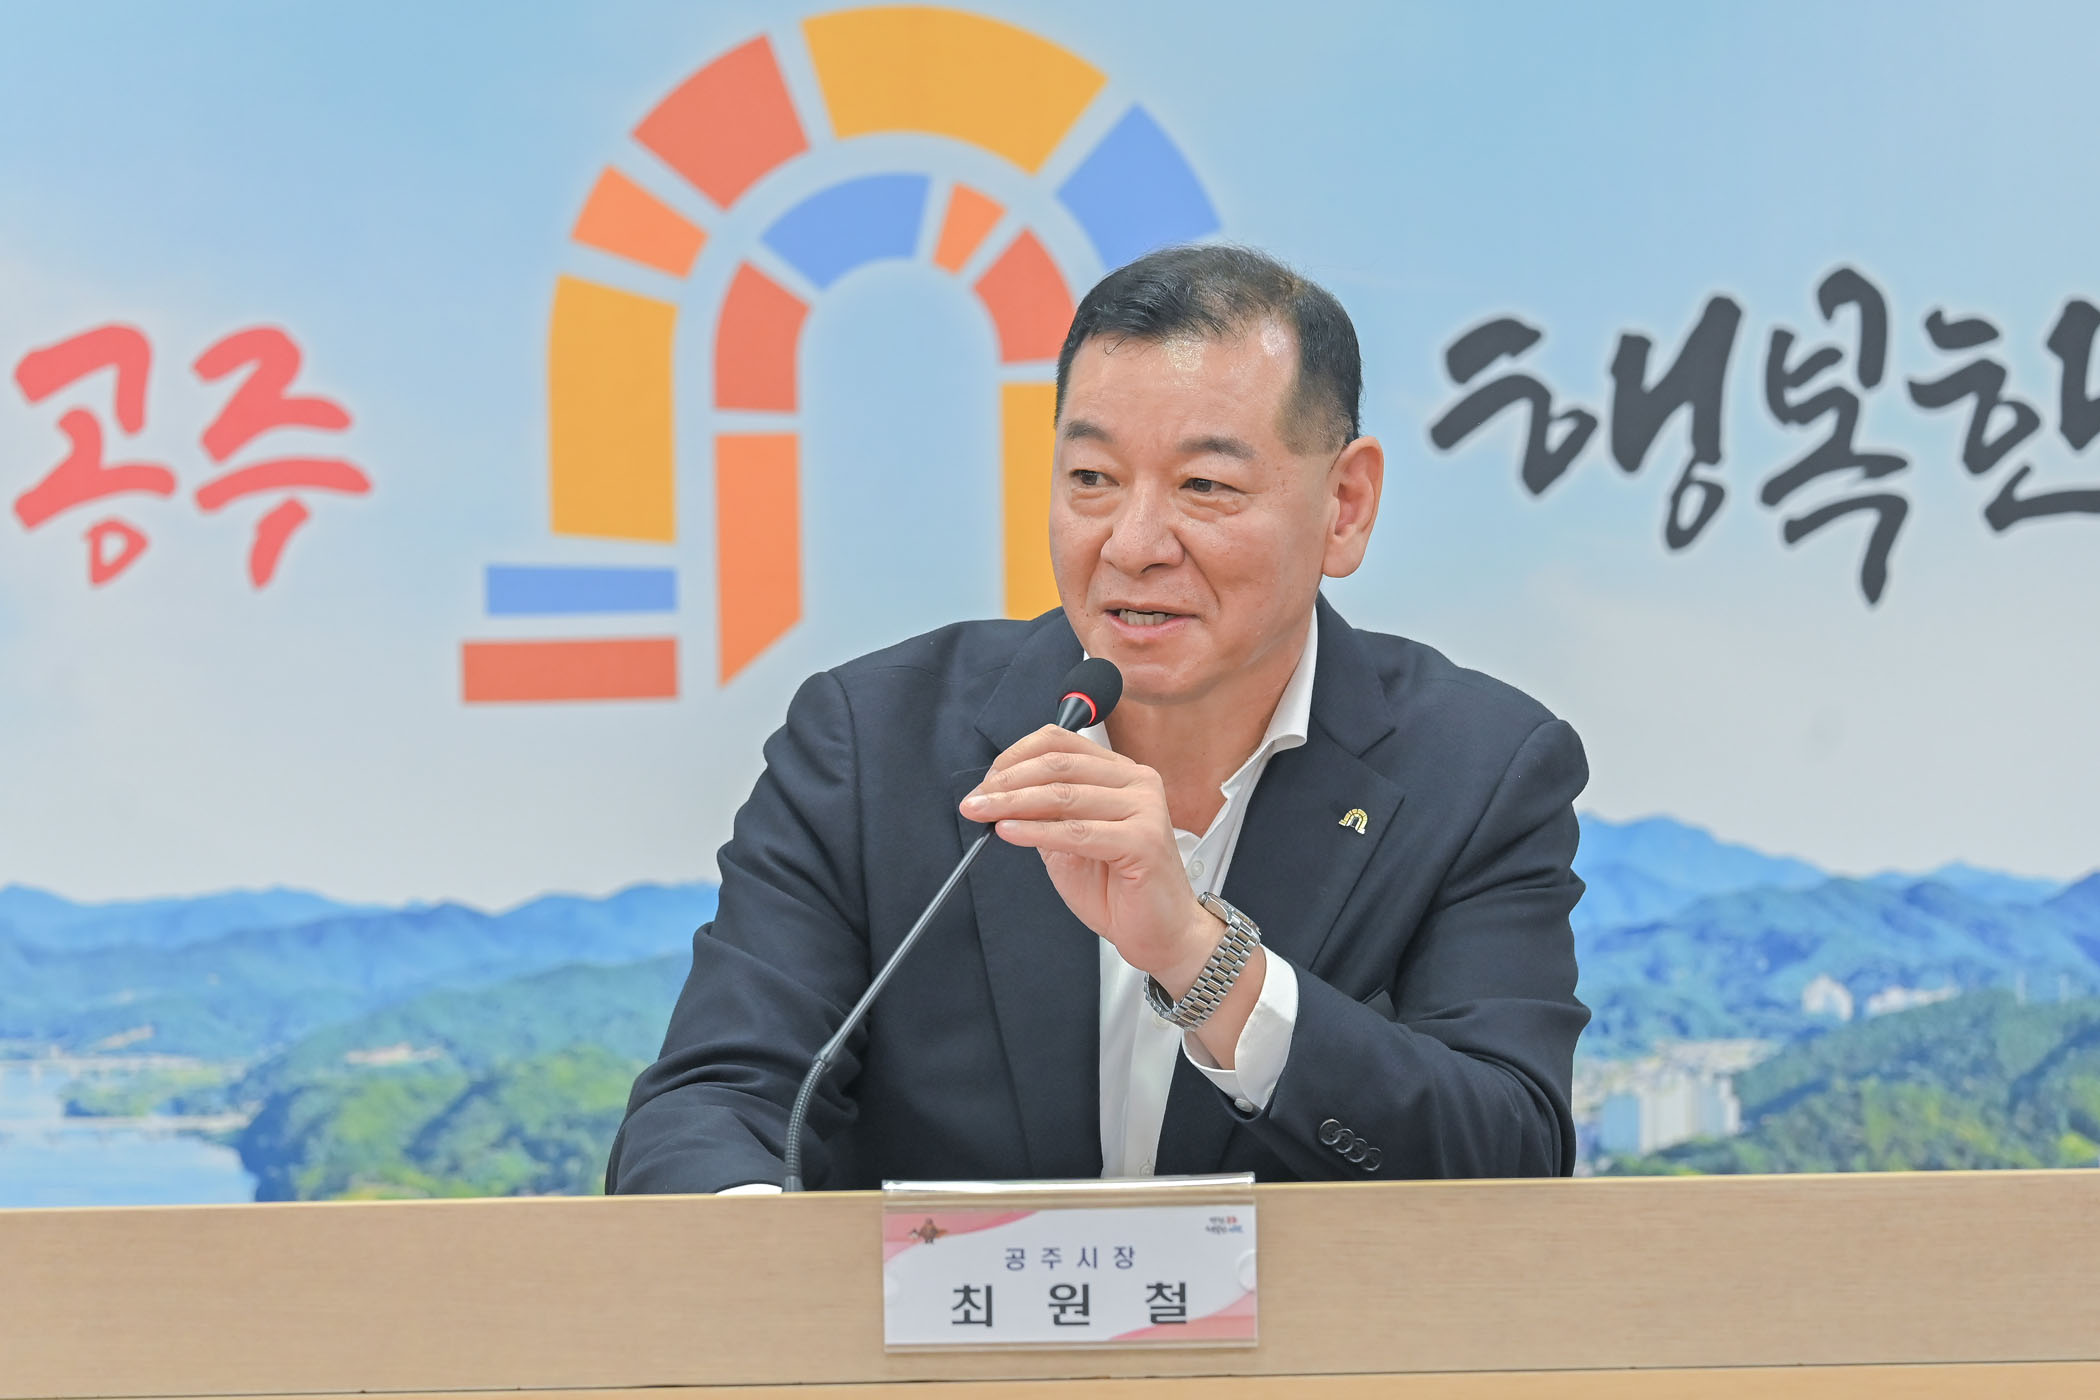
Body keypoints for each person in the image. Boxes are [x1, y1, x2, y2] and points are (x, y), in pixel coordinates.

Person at [606, 245, 1588, 1194]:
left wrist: (1202, 960)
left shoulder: (1479, 769)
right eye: (1092, 479)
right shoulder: (871, 743)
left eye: (1205, 486)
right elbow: (711, 1106)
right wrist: (755, 1250)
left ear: (1346, 504)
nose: (1132, 543)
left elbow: (1507, 1157)